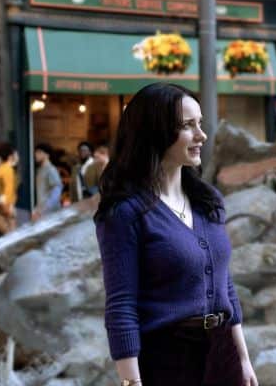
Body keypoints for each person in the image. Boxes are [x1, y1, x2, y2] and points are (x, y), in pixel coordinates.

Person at [94, 83, 257, 386]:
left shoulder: (208, 201)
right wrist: (131, 382)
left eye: (200, 123)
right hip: (167, 360)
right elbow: (121, 305)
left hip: (223, 353)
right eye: (187, 126)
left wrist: (243, 360)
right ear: (154, 132)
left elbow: (225, 284)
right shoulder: (126, 213)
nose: (201, 135)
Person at [33, 143, 63, 221]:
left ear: (47, 155)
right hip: (42, 212)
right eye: (36, 152)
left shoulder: (51, 169)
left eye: (39, 152)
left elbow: (57, 190)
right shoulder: (40, 170)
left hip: (50, 214)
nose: (36, 155)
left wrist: (45, 208)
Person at [0, 142, 18, 237]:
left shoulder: (4, 169)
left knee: (10, 229)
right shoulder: (4, 169)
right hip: (3, 202)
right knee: (10, 229)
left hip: (3, 202)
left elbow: (8, 188)